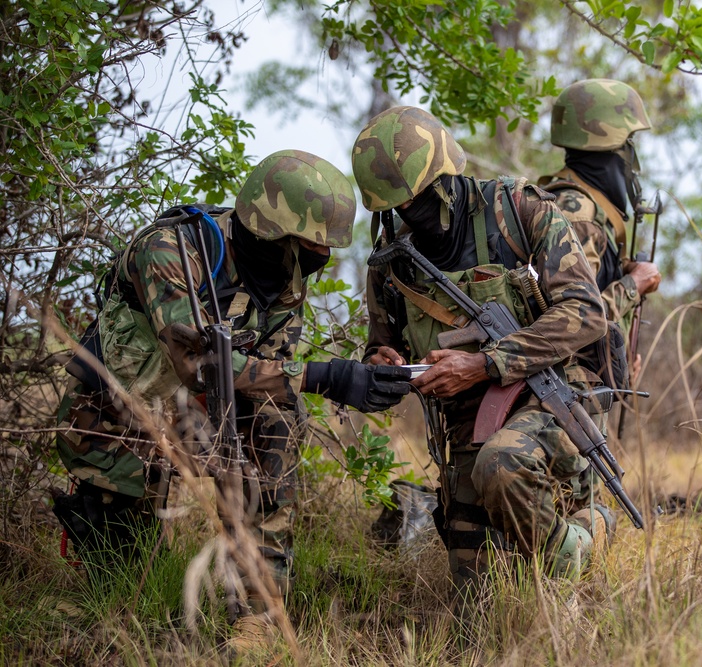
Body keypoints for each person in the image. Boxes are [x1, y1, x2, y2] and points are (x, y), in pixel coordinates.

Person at [52, 150, 411, 633]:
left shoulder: (282, 279)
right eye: (308, 248)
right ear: (271, 233)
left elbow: (272, 374)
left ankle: (258, 614)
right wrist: (328, 377)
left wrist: (355, 375)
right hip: (119, 417)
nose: (315, 262)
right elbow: (198, 366)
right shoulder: (170, 251)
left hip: (201, 415)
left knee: (278, 415)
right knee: (116, 574)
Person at [353, 106, 613, 608]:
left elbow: (585, 311)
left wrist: (486, 363)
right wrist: (382, 363)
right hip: (467, 422)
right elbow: (385, 345)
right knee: (474, 602)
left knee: (502, 463)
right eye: (400, 205)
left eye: (421, 198)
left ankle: (587, 536)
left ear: (448, 176)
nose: (412, 213)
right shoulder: (392, 261)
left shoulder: (519, 209)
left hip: (551, 393)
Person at [539, 79, 662, 379]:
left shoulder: (572, 200)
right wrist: (634, 284)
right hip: (563, 394)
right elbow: (571, 319)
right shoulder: (579, 214)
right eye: (628, 144)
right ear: (611, 147)